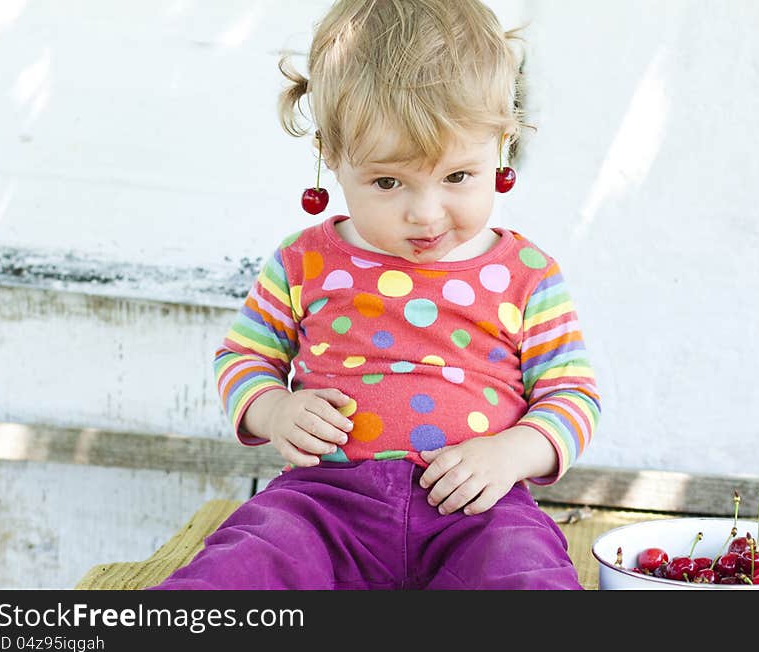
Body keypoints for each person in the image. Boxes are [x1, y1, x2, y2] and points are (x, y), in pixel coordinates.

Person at [150, 0, 600, 590]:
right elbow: (244, 360)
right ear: (332, 156)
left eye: (458, 177)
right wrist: (275, 409)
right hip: (322, 506)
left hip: (477, 514)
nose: (425, 212)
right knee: (247, 559)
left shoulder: (526, 273)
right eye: (388, 182)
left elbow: (572, 396)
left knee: (523, 570)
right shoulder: (303, 262)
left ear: (501, 143)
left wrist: (513, 453)